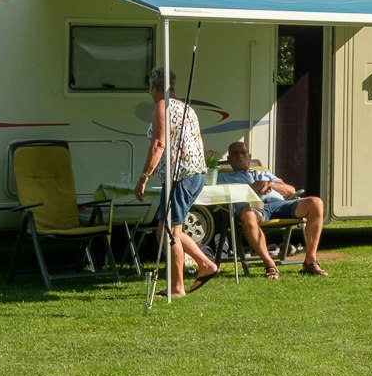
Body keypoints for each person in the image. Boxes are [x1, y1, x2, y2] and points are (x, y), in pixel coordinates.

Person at [134, 70, 220, 296]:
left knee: (168, 231)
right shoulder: (186, 108)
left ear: (154, 88)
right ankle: (205, 265)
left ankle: (179, 285)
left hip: (180, 176)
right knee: (167, 230)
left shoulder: (162, 107)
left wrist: (143, 178)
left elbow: (158, 145)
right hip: (194, 174)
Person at [218, 141, 328, 276]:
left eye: (243, 153)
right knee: (247, 215)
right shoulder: (222, 177)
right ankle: (270, 264)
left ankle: (310, 261)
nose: (240, 156)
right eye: (235, 153)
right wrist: (248, 189)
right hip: (255, 208)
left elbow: (290, 190)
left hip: (279, 204)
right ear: (229, 159)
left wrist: (271, 184)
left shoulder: (263, 174)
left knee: (316, 202)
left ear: (249, 156)